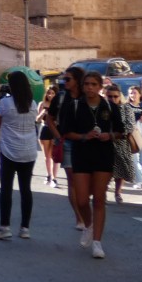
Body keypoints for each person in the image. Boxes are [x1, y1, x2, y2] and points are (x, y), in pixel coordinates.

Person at [59, 70, 117, 259]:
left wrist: (109, 135)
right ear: (82, 87)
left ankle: (98, 243)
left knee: (99, 199)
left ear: (100, 87)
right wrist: (84, 136)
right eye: (86, 84)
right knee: (82, 200)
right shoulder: (74, 106)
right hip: (81, 155)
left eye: (93, 84)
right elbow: (66, 132)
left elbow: (121, 131)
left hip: (103, 155)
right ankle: (89, 225)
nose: (90, 88)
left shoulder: (109, 106)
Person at [0, 71, 39, 240]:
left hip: (9, 150)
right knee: (26, 190)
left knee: (6, 190)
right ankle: (25, 228)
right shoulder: (32, 104)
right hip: (29, 151)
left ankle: (5, 227)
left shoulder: (5, 103)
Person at [47, 67, 86, 229]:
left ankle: (85, 213)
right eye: (64, 79)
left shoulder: (87, 97)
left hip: (86, 144)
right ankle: (79, 218)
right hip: (67, 143)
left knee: (84, 181)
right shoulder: (61, 97)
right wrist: (58, 137)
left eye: (68, 79)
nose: (65, 82)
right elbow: (50, 119)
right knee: (73, 181)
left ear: (77, 80)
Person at [106, 85, 136, 202]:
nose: (113, 99)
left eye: (115, 96)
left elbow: (130, 125)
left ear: (120, 96)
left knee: (121, 170)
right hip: (105, 143)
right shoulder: (102, 107)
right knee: (106, 170)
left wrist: (119, 133)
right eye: (110, 96)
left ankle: (117, 193)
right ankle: (102, 192)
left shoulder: (126, 108)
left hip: (122, 142)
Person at [37, 86, 58, 188]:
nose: (50, 95)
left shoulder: (58, 105)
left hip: (55, 130)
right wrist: (43, 113)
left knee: (54, 156)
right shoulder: (42, 104)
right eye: (49, 93)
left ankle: (54, 178)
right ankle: (49, 175)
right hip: (44, 129)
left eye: (53, 93)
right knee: (47, 156)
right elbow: (37, 119)